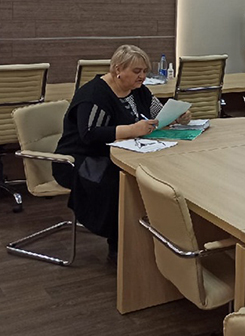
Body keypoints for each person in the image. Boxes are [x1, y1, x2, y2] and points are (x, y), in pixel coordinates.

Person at [54, 45, 165, 260]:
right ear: (118, 69)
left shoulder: (139, 90)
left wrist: (177, 116)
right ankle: (118, 244)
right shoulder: (94, 94)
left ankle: (151, 235)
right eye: (136, 71)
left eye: (144, 71)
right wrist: (132, 130)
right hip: (80, 159)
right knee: (120, 183)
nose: (142, 76)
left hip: (123, 153)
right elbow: (89, 134)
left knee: (154, 173)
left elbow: (158, 114)